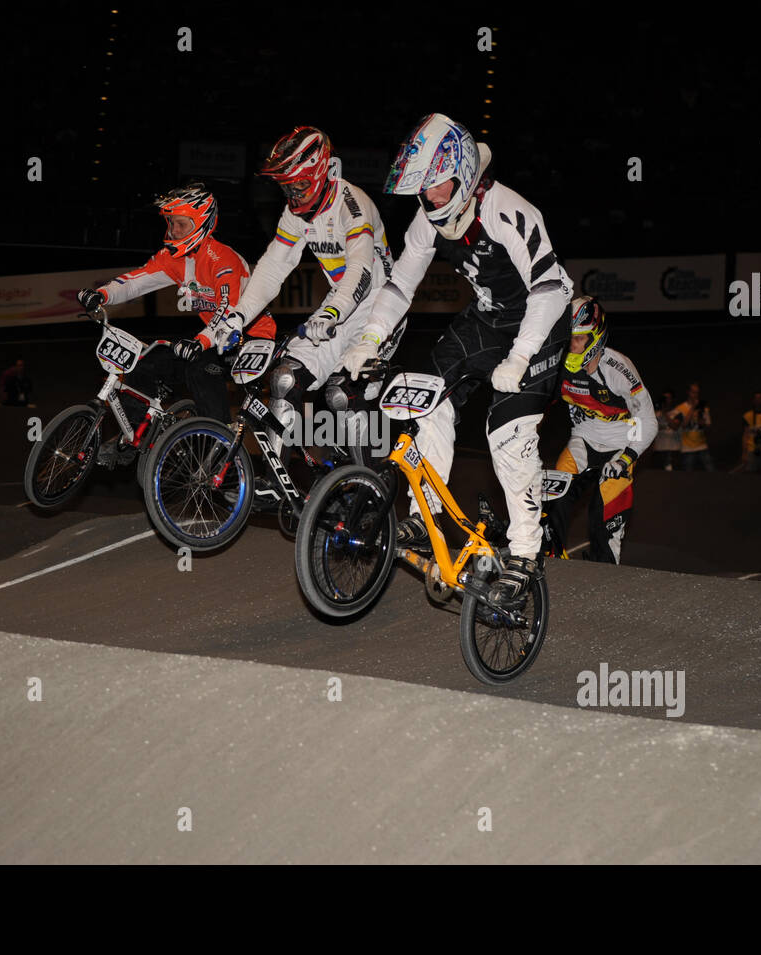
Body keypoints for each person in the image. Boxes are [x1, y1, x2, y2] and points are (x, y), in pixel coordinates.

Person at [342, 113, 573, 607]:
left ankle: (527, 555)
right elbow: (401, 283)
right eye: (423, 192)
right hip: (488, 320)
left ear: (466, 173)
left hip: (542, 325)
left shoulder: (508, 211)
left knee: (507, 436)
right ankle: (424, 516)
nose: (432, 200)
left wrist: (521, 356)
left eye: (439, 188)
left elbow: (551, 289)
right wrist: (369, 339)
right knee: (425, 399)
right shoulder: (428, 219)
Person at [211, 127, 394, 467]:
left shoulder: (352, 205)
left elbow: (361, 271)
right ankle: (274, 477)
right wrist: (237, 316)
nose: (293, 197)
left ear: (321, 172)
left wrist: (331, 314)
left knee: (342, 394)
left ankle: (364, 489)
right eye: (286, 188)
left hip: (382, 308)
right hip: (341, 305)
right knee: (285, 378)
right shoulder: (295, 214)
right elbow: (272, 268)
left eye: (299, 186)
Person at [77, 182, 275, 464]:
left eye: (181, 224)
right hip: (212, 337)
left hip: (250, 338)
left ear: (202, 223)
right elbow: (135, 283)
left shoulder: (223, 260)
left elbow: (227, 312)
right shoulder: (174, 259)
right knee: (145, 362)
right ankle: (133, 437)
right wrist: (102, 294)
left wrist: (201, 342)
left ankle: (221, 456)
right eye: (171, 224)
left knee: (201, 369)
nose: (173, 232)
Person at [542, 297, 656, 564]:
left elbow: (648, 420)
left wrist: (627, 457)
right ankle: (551, 560)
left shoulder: (618, 368)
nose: (573, 344)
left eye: (580, 338)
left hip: (621, 445)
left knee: (604, 516)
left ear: (596, 337)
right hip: (584, 438)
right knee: (553, 494)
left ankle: (605, 568)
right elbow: (538, 403)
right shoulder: (558, 366)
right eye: (570, 337)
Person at [669, 382, 713, 471]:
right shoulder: (680, 408)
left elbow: (708, 425)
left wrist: (703, 423)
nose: (695, 395)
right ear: (688, 392)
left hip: (702, 446)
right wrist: (693, 407)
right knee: (688, 475)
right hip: (687, 448)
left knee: (710, 471)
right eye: (693, 392)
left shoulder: (703, 408)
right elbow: (683, 425)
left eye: (697, 393)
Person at [652, 389, 681, 470]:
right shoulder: (655, 414)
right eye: (664, 398)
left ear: (672, 399)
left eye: (668, 398)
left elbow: (675, 426)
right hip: (658, 449)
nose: (666, 400)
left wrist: (664, 413)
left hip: (673, 450)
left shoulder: (677, 413)